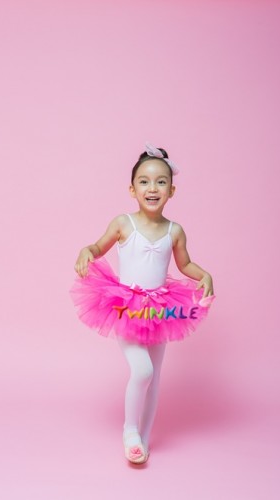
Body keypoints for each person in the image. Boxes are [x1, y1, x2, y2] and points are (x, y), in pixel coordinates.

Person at [70, 142, 215, 465]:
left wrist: (204, 274)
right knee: (142, 369)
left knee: (155, 376)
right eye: (144, 181)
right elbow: (97, 247)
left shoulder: (174, 231)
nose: (152, 188)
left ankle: (143, 440)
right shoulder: (124, 223)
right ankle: (130, 431)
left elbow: (184, 265)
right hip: (125, 307)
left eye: (161, 182)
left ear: (172, 190)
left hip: (161, 309)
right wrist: (85, 251)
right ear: (132, 189)